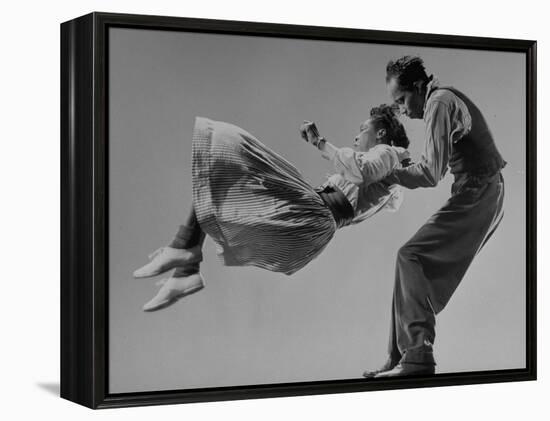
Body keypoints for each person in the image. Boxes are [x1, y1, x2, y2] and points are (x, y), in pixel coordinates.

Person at [133, 105, 411, 312]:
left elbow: (361, 171)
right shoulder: (390, 176)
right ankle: (185, 269)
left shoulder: (385, 153)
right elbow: (382, 191)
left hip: (315, 212)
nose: (356, 135)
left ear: (381, 133)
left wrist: (319, 142)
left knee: (228, 150)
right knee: (224, 181)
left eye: (363, 129)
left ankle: (184, 253)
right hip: (313, 224)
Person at [363, 56, 506, 378]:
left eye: (401, 100)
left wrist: (387, 174)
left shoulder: (439, 102)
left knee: (410, 256)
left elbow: (429, 173)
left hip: (480, 191)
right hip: (479, 191)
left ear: (418, 87)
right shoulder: (439, 101)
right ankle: (400, 355)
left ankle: (417, 357)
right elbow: (431, 165)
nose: (401, 109)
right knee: (409, 264)